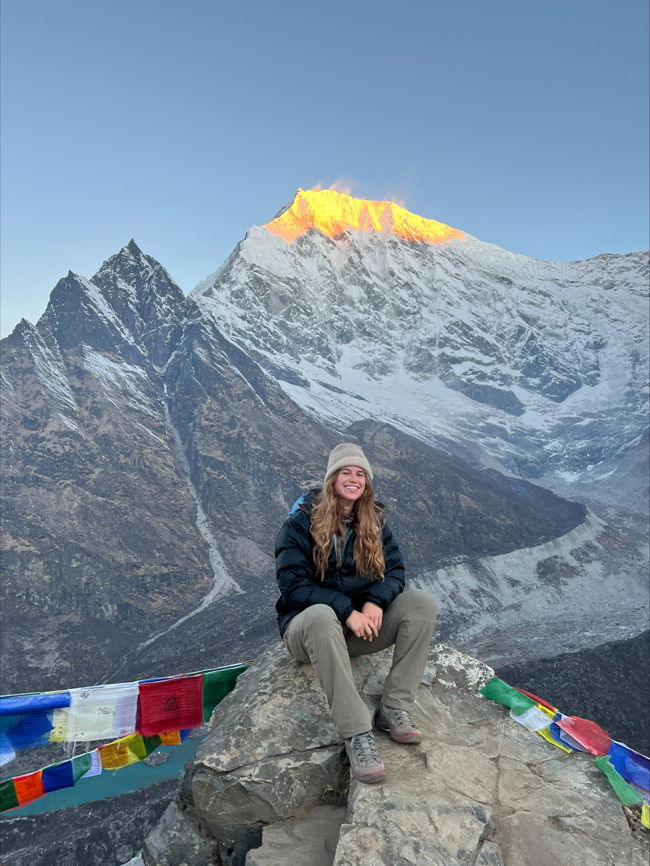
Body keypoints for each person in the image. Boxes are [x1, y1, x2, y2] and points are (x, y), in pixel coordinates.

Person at [275, 443, 438, 783]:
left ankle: (393, 707)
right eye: (346, 472)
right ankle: (357, 734)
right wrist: (347, 610)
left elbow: (395, 572)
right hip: (309, 632)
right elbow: (293, 586)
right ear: (332, 479)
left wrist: (375, 602)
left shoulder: (374, 521)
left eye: (360, 473)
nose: (354, 479)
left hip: (355, 631)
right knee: (321, 615)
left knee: (421, 603)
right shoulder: (300, 522)